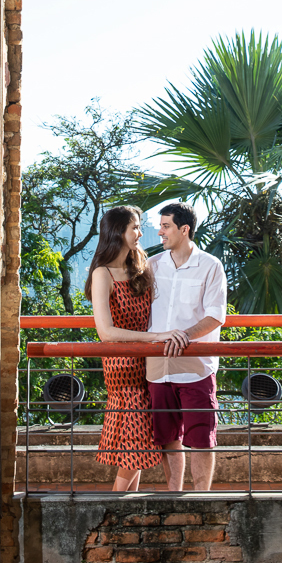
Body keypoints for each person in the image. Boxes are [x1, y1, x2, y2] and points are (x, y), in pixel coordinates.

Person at [146, 202, 227, 492]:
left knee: (201, 438)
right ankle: (174, 495)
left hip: (196, 368)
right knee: (168, 437)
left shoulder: (210, 266)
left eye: (166, 226)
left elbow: (216, 315)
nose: (160, 232)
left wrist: (184, 335)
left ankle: (201, 499)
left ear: (184, 229)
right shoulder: (152, 265)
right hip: (158, 367)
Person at [86, 205, 167, 491]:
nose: (139, 232)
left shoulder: (139, 268)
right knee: (137, 436)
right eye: (134, 227)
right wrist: (155, 337)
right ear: (117, 231)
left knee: (136, 438)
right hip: (122, 366)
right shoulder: (102, 274)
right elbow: (105, 332)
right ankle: (114, 503)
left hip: (149, 361)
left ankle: (125, 507)